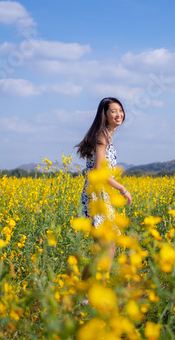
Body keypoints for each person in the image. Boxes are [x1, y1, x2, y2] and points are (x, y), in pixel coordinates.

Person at [76, 97, 132, 281]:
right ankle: (98, 292)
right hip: (96, 195)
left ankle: (82, 291)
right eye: (113, 111)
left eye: (120, 110)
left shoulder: (106, 135)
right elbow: (99, 171)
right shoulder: (102, 136)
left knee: (107, 246)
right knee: (107, 246)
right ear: (105, 114)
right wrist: (122, 189)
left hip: (101, 195)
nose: (119, 114)